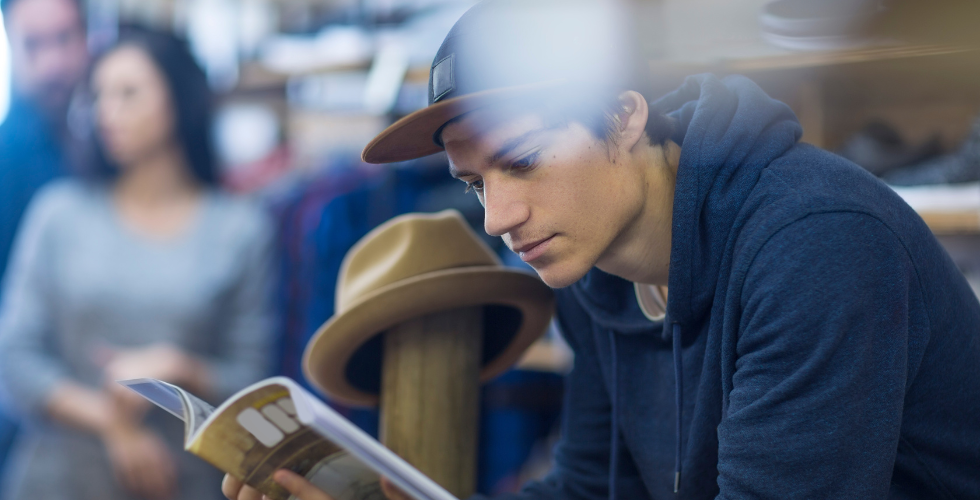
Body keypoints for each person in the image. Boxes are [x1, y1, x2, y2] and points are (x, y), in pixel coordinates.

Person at [224, 0, 980, 499]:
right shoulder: (594, 267)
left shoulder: (816, 245)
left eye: (522, 161)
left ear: (623, 120)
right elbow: (588, 486)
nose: (499, 218)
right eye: (476, 183)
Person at [0, 28, 275, 500]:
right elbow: (12, 358)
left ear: (179, 99)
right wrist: (111, 422)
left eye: (128, 93)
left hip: (182, 483)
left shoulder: (240, 228)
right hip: (55, 481)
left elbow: (254, 384)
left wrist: (182, 366)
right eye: (98, 95)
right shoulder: (60, 213)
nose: (106, 112)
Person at [0, 0, 89, 479]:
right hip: (29, 400)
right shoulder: (8, 157)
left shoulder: (92, 141)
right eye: (34, 45)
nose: (53, 62)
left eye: (64, 39)